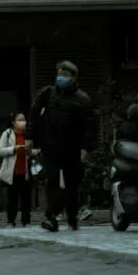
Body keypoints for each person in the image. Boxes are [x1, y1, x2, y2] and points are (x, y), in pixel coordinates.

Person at [29, 60, 94, 233]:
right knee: (52, 182)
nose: (61, 78)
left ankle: (72, 218)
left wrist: (86, 148)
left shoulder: (82, 99)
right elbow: (34, 114)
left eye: (65, 75)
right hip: (50, 147)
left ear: (74, 77)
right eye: (59, 74)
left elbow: (90, 126)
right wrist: (30, 138)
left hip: (72, 149)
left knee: (72, 185)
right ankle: (51, 218)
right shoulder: (48, 93)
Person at [0, 111, 33, 228]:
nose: (23, 122)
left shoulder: (28, 134)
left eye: (24, 119)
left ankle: (26, 222)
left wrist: (32, 151)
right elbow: (0, 151)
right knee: (13, 199)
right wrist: (14, 149)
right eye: (20, 120)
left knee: (26, 199)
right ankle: (11, 221)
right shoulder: (7, 134)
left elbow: (35, 150)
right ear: (13, 122)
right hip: (12, 172)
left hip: (26, 171)